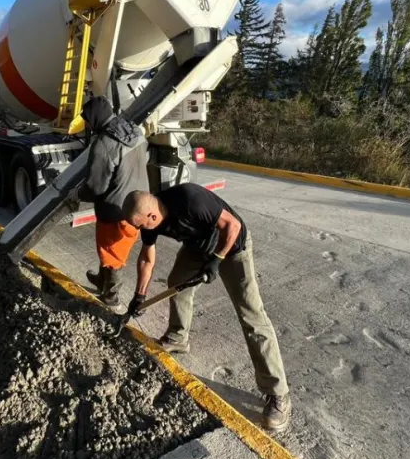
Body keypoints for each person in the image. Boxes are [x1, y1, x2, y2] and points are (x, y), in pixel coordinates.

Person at [122, 185, 291, 432]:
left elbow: (232, 225)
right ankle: (178, 336)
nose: (139, 231)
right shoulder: (149, 217)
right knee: (177, 282)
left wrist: (218, 259)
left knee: (251, 316)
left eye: (140, 225)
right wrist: (139, 294)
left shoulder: (191, 200)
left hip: (232, 247)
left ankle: (279, 395)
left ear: (153, 217)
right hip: (199, 244)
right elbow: (147, 257)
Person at [77, 96, 149, 313]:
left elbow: (96, 187)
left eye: (87, 120)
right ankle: (102, 280)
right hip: (139, 203)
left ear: (95, 118)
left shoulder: (103, 144)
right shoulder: (132, 131)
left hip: (115, 210)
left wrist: (78, 193)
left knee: (111, 253)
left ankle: (111, 297)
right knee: (116, 249)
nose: (87, 125)